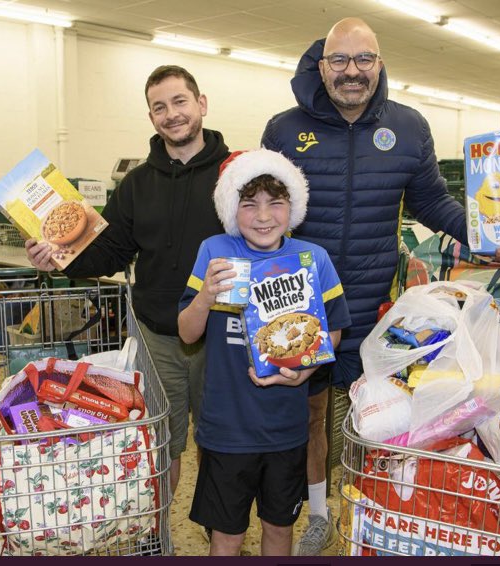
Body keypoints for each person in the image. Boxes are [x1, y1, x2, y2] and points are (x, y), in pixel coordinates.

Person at [261, 17, 500, 555]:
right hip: (305, 306)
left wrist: (487, 237)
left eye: (364, 59)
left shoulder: (408, 127)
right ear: (322, 66)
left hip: (373, 308)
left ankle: (370, 512)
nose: (352, 71)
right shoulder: (284, 130)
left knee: (378, 417)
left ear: (379, 64)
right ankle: (318, 514)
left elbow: (432, 201)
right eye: (340, 60)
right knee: (310, 416)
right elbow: (263, 208)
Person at [25, 65, 229, 499]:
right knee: (160, 441)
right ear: (151, 117)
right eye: (159, 107)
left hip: (222, 332)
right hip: (157, 335)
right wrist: (56, 258)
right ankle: (159, 528)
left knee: (219, 442)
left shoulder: (233, 174)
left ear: (201, 104)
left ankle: (219, 527)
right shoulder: (137, 185)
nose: (171, 114)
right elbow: (110, 252)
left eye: (180, 101)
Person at [178, 148, 351, 556]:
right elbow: (187, 333)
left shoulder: (313, 259)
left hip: (285, 429)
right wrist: (205, 296)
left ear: (293, 207)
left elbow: (334, 330)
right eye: (248, 204)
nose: (263, 216)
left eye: (276, 203)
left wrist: (305, 371)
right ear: (230, 209)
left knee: (279, 528)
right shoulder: (215, 252)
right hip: (225, 428)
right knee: (226, 536)